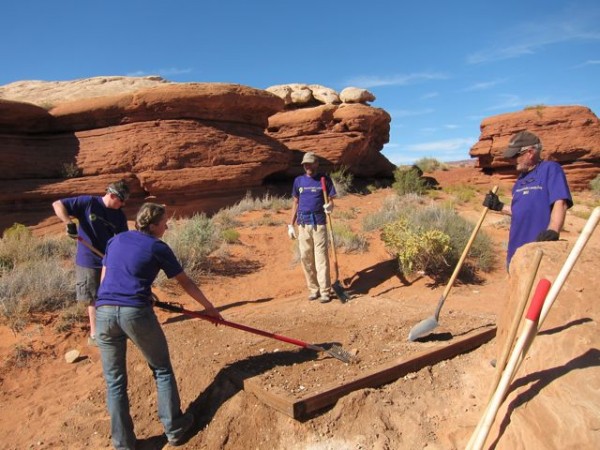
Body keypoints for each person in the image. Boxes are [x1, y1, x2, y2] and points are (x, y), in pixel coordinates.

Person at [95, 202, 223, 449]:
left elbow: (106, 277)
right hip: (134, 313)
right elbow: (185, 282)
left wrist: (141, 294)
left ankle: (123, 444)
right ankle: (175, 429)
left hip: (103, 311)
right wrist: (209, 308)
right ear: (153, 226)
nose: (168, 225)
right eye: (164, 222)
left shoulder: (117, 240)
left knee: (114, 381)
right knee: (162, 369)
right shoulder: (157, 246)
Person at [52, 180, 130, 346]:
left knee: (113, 295)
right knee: (93, 298)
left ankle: (115, 329)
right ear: (113, 195)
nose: (123, 204)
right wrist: (69, 223)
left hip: (109, 260)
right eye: (121, 200)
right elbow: (57, 204)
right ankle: (96, 335)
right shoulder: (88, 203)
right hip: (88, 261)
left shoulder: (119, 215)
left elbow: (123, 239)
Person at [483, 130, 573, 268]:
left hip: (538, 252)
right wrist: (499, 206)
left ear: (530, 153)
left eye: (515, 156)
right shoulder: (520, 180)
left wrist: (553, 230)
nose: (512, 160)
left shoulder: (550, 169)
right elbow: (520, 210)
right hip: (514, 253)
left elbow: (560, 202)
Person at [288, 151, 336, 303]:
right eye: (305, 164)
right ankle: (313, 289)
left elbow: (331, 200)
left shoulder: (324, 180)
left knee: (321, 258)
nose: (308, 166)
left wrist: (330, 206)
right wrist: (291, 224)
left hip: (319, 224)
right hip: (303, 225)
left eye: (310, 163)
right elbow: (295, 202)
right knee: (305, 257)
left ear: (316, 164)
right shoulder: (299, 181)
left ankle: (325, 291)